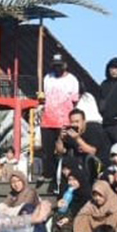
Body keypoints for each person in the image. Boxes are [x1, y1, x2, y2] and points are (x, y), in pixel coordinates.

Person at [39, 55, 82, 183]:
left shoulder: (72, 80)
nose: (57, 68)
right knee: (47, 151)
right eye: (55, 65)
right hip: (47, 120)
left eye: (59, 65)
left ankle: (69, 173)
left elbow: (75, 101)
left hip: (64, 121)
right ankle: (48, 174)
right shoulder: (47, 78)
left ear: (65, 65)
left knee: (66, 149)